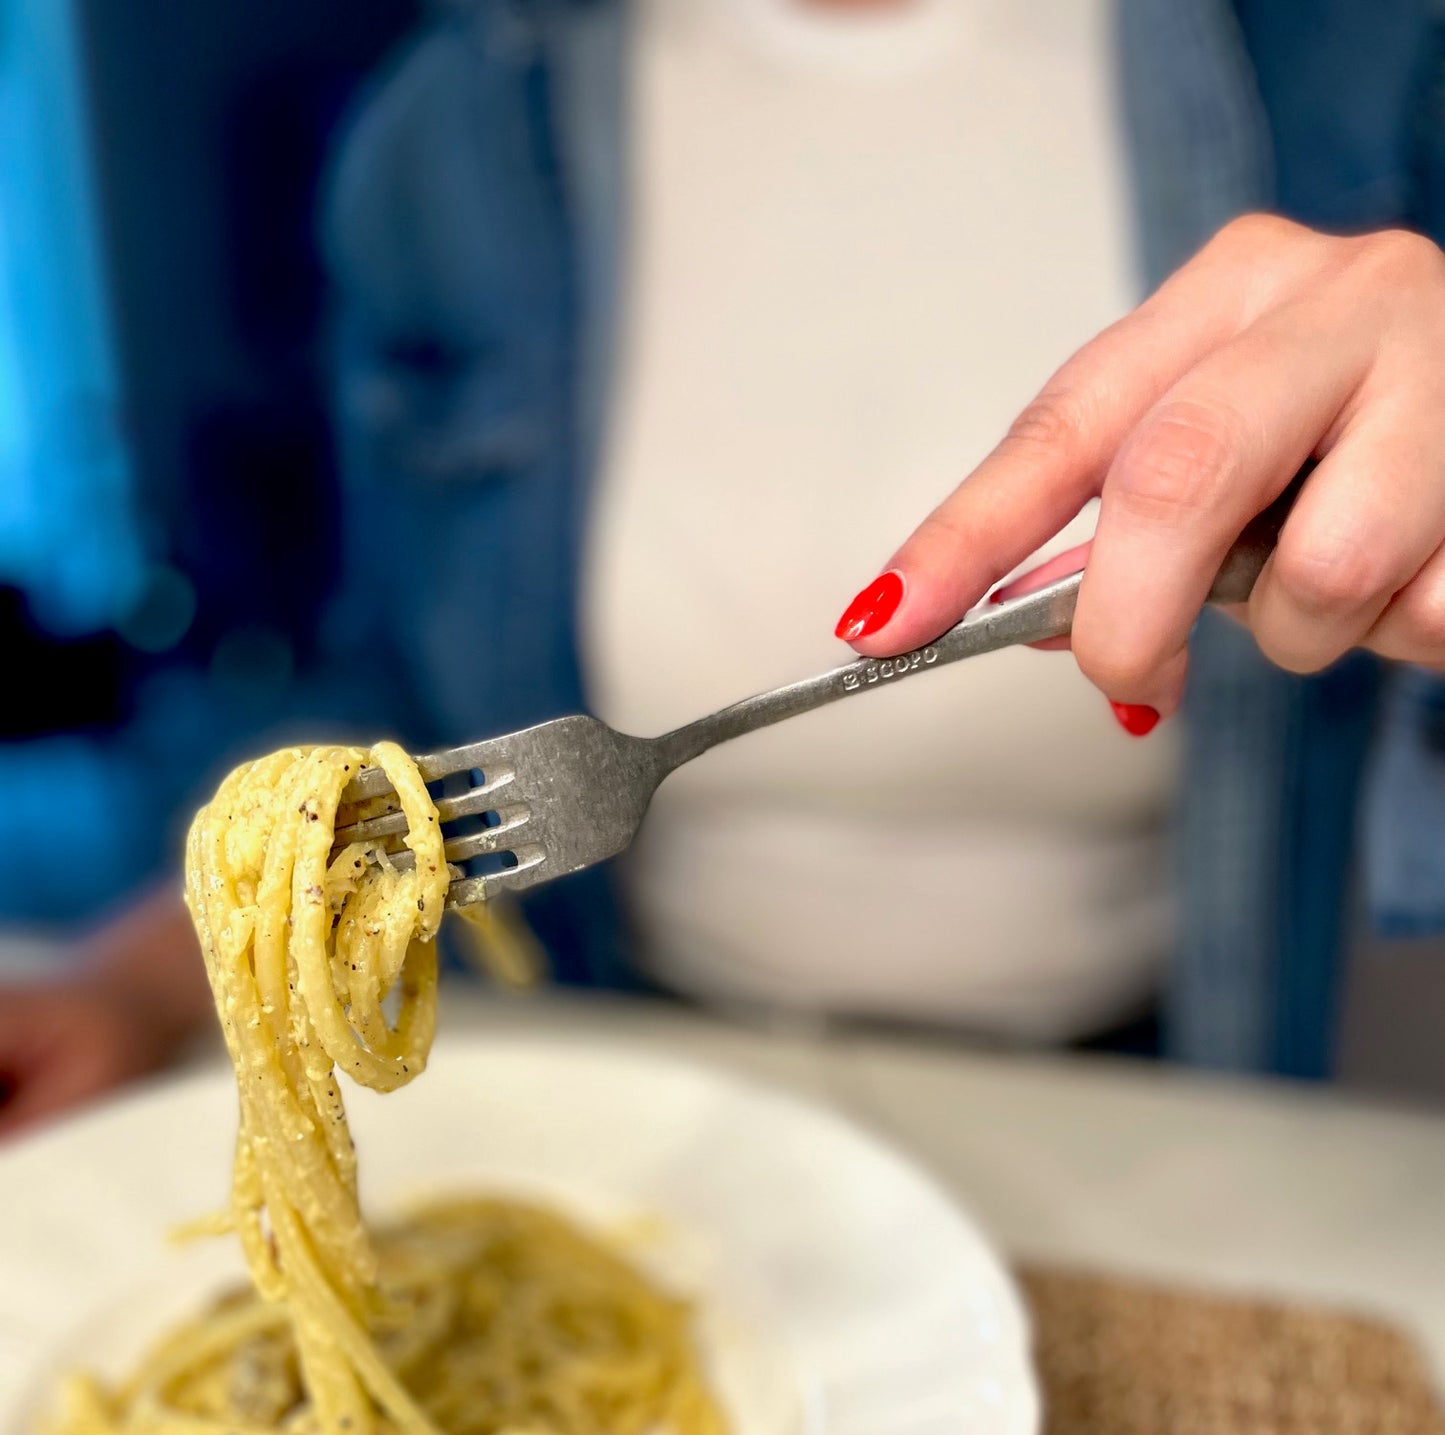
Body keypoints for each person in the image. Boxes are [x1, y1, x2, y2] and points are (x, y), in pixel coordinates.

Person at [5, 0, 1445, 1137]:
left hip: (1169, 1090)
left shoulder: (1354, 59)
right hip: (640, 1071)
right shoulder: (453, 132)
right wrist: (140, 976)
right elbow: (393, 681)